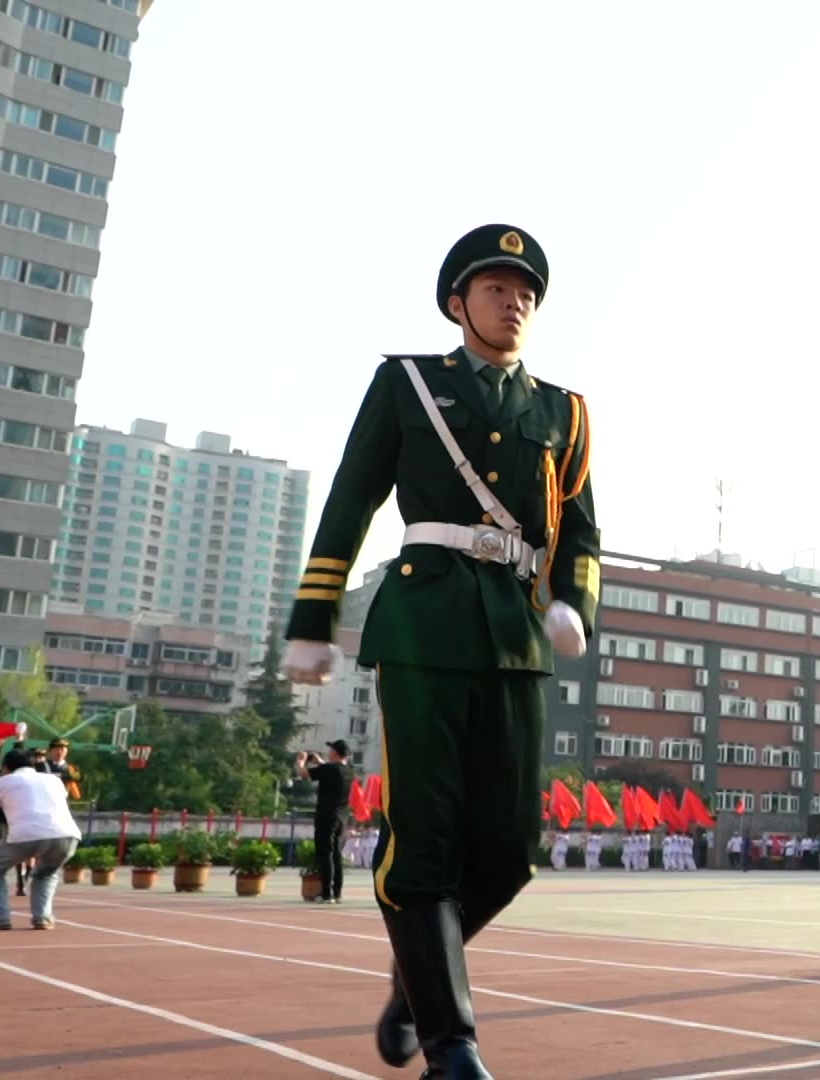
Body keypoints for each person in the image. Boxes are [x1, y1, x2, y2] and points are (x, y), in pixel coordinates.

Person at [284, 223, 601, 1080]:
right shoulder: (409, 385)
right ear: (458, 304)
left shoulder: (563, 412)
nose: (516, 302)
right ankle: (451, 1042)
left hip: (514, 635)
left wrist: (573, 601)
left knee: (510, 852)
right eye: (497, 288)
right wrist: (313, 620)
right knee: (424, 842)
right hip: (422, 622)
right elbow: (351, 499)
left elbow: (581, 530)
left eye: (526, 292)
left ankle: (417, 978)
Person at [0, 748, 82, 930]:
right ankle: (43, 917)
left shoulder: (2, 782)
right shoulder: (54, 780)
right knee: (46, 874)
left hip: (26, 835)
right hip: (67, 835)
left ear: (6, 767)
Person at [296, 740, 355, 904]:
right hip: (342, 818)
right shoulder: (349, 771)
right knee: (336, 855)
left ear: (335, 752)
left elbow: (303, 773)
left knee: (325, 855)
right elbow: (331, 770)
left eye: (330, 750)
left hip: (326, 817)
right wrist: (320, 762)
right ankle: (337, 893)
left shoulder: (328, 769)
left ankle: (326, 894)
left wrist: (301, 760)